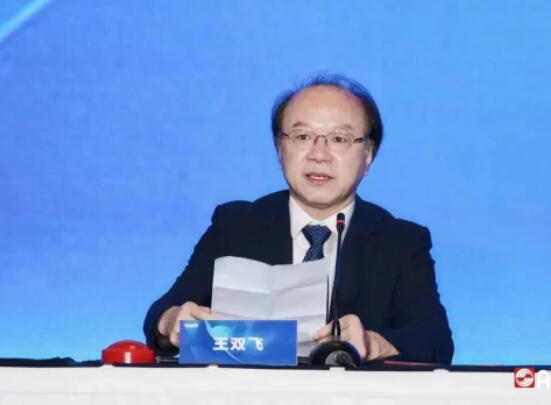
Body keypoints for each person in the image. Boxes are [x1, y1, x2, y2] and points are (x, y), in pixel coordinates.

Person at [144, 74, 454, 364]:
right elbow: (162, 315)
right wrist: (171, 321)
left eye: (339, 139)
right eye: (303, 136)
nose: (319, 154)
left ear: (368, 155)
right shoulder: (235, 226)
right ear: (280, 150)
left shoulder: (400, 242)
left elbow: (436, 341)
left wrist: (372, 343)